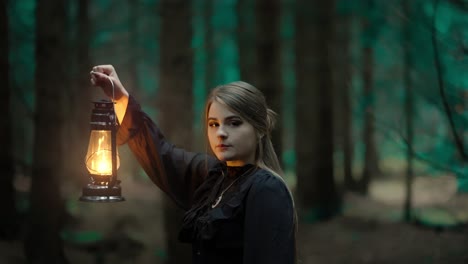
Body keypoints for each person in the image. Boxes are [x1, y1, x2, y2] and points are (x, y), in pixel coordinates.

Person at [90, 64, 296, 264]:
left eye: (234, 123)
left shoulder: (266, 189)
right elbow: (162, 156)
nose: (221, 133)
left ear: (260, 129)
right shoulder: (214, 177)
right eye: (213, 124)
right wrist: (119, 97)